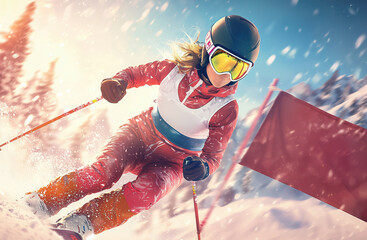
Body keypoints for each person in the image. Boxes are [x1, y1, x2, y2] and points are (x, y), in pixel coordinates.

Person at [24, 15, 260, 239]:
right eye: (222, 61)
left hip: (175, 163)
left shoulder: (227, 108)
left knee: (144, 195)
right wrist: (119, 82)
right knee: (102, 173)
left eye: (238, 69)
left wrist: (203, 167)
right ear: (208, 51)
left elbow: (214, 155)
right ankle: (41, 201)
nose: (226, 74)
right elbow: (135, 74)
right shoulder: (173, 72)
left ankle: (79, 223)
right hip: (140, 134)